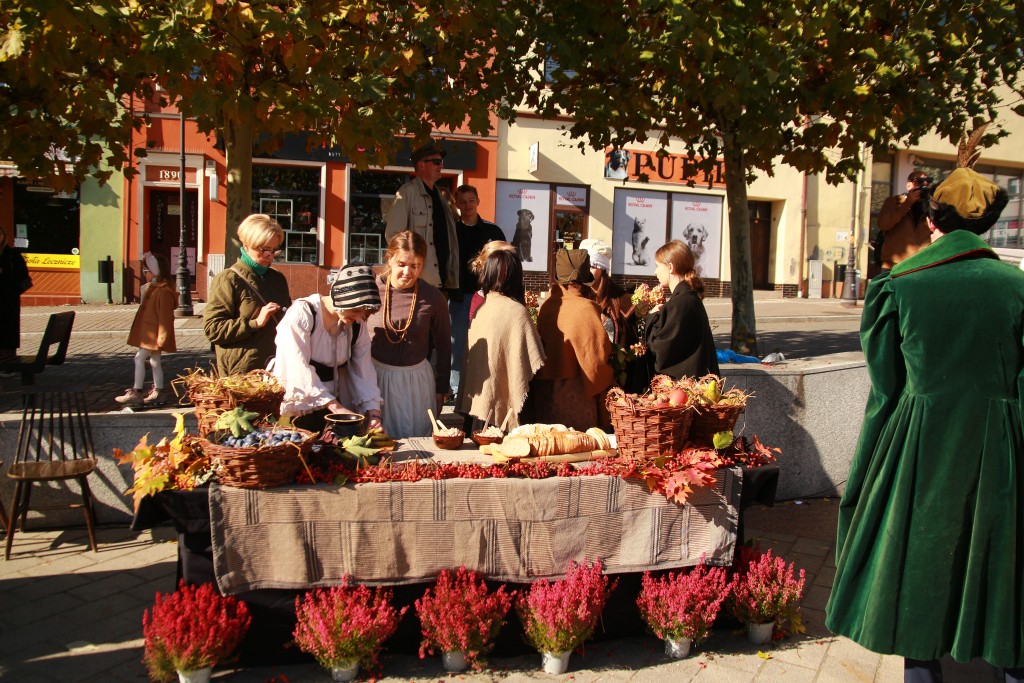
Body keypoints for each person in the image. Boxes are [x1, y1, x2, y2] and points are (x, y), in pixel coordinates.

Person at [825, 166, 1024, 683]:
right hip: (1002, 446)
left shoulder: (901, 285)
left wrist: (874, 466)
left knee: (919, 560)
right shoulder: (1017, 287)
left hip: (923, 443)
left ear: (932, 219)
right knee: (1004, 563)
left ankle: (923, 665)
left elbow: (886, 388)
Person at [272, 263, 384, 433]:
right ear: (341, 300)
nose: (359, 318)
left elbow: (364, 369)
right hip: (302, 401)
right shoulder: (303, 314)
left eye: (364, 313)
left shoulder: (356, 324)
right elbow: (296, 367)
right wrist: (336, 408)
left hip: (336, 399)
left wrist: (374, 413)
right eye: (355, 311)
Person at [367, 230, 452, 438]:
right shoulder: (370, 289)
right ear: (389, 259)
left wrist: (441, 388)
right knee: (377, 441)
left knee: (416, 441)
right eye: (402, 264)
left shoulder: (433, 297)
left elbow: (443, 345)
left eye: (415, 266)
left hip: (416, 383)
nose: (408, 272)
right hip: (375, 379)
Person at [458, 249, 545, 432]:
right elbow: (534, 360)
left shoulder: (481, 309)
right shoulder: (516, 312)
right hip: (501, 418)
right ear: (515, 276)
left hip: (477, 411)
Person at [532, 249, 614, 431]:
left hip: (544, 396)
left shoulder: (547, 307)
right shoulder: (586, 308)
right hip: (578, 397)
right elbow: (597, 360)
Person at [204, 214, 292, 376]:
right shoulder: (228, 279)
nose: (269, 255)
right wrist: (255, 323)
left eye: (274, 250)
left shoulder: (277, 278)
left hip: (276, 370)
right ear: (246, 246)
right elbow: (213, 329)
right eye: (264, 249)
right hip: (242, 377)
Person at [451, 184, 506, 397]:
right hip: (457, 295)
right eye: (462, 201)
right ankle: (456, 388)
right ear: (457, 204)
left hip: (487, 296)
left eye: (471, 200)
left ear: (477, 201)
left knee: (486, 340)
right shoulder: (452, 230)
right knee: (457, 343)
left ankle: (483, 384)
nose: (467, 205)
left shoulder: (492, 231)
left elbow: (505, 261)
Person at [385, 142, 460, 292]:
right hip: (419, 282)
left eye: (441, 162)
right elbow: (393, 237)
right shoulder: (407, 193)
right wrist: (410, 269)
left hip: (442, 281)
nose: (440, 166)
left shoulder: (440, 196)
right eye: (436, 162)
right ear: (421, 165)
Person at [645, 240, 720, 380]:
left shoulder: (679, 303)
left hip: (685, 392)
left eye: (657, 266)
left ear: (670, 267)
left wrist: (652, 316)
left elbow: (661, 350)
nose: (655, 272)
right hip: (699, 386)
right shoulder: (690, 298)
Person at [115, 253, 176, 406]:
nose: (145, 274)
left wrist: (162, 337)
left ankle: (136, 391)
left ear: (155, 270)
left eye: (146, 271)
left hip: (154, 335)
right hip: (152, 333)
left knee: (139, 358)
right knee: (155, 361)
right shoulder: (157, 288)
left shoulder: (162, 292)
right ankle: (159, 391)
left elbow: (166, 318)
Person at [874, 170, 934, 270]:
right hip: (895, 265)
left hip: (922, 265)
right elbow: (884, 224)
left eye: (927, 182)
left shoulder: (930, 207)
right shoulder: (894, 202)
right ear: (908, 185)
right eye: (919, 181)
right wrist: (907, 203)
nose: (924, 185)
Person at [0, 225, 30, 365]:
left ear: (4, 236)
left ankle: (8, 365)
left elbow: (25, 278)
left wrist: (12, 292)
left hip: (8, 302)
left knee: (8, 333)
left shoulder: (12, 256)